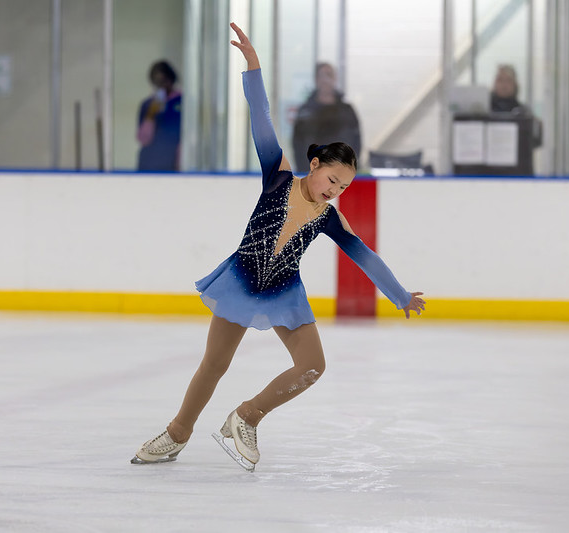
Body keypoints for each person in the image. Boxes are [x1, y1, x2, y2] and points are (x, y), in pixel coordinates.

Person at [131, 23, 425, 470]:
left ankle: (246, 416)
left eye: (344, 187)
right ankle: (176, 434)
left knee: (312, 366)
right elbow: (261, 115)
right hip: (241, 278)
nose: (334, 191)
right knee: (213, 365)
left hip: (285, 289)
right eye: (331, 179)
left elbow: (365, 257)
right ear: (314, 164)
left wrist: (401, 296)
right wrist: (253, 66)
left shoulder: (330, 217)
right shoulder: (279, 175)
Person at [292, 62, 362, 174]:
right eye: (321, 76)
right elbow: (297, 145)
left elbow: (356, 143)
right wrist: (304, 173)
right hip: (311, 174)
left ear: (335, 78)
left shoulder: (347, 111)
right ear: (316, 80)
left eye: (328, 75)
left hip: (341, 174)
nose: (325, 80)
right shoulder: (306, 111)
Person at [136, 60, 182, 171]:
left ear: (171, 80)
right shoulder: (147, 104)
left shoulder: (182, 102)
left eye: (164, 81)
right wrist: (150, 115)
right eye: (157, 82)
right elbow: (143, 139)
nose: (161, 86)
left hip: (173, 164)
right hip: (149, 163)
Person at [490, 64, 542, 147]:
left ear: (515, 84)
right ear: (494, 83)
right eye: (500, 80)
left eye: (508, 80)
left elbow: (535, 139)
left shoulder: (524, 112)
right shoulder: (485, 111)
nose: (504, 85)